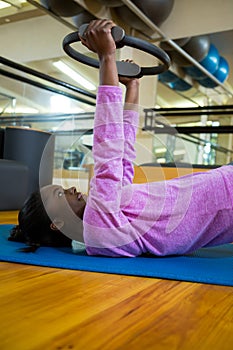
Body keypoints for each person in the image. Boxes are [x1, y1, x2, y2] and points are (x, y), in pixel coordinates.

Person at [9, 19, 233, 257]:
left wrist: (132, 87)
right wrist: (107, 57)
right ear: (57, 222)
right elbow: (109, 150)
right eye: (60, 194)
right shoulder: (98, 229)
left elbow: (123, 156)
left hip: (222, 187)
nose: (71, 188)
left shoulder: (109, 216)